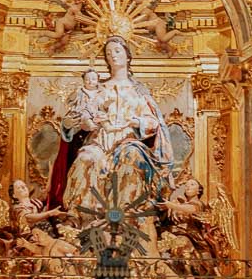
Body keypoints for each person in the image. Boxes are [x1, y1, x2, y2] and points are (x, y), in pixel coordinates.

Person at [57, 36, 174, 247]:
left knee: (131, 157)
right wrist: (73, 124)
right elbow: (76, 118)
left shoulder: (138, 91)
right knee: (86, 158)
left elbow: (152, 123)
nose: (113, 56)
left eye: (118, 51)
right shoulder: (96, 89)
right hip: (99, 141)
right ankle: (86, 225)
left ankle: (127, 222)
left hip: (128, 141)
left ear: (128, 56)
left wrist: (135, 121)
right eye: (109, 53)